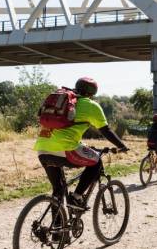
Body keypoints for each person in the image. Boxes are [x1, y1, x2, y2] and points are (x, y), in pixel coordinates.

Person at [35, 77, 129, 210]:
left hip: (42, 148)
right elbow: (105, 130)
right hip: (65, 148)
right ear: (92, 93)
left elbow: (65, 130)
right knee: (96, 162)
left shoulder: (63, 101)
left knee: (58, 191)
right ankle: (77, 196)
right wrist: (121, 145)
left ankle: (57, 228)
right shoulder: (90, 105)